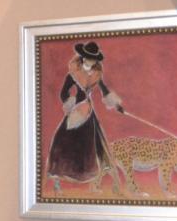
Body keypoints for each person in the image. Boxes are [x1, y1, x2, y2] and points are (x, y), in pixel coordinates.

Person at [46, 41, 124, 192]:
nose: (92, 62)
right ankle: (57, 182)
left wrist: (117, 105)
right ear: (83, 57)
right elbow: (63, 93)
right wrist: (71, 103)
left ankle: (93, 184)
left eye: (94, 59)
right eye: (89, 58)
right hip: (76, 112)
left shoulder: (96, 74)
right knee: (63, 142)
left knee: (94, 146)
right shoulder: (73, 74)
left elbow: (105, 91)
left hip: (89, 113)